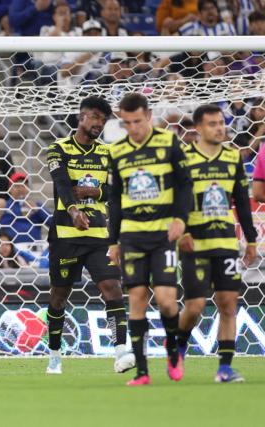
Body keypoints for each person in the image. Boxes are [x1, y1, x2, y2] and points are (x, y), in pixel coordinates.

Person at [108, 93, 193, 386]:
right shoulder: (117, 151)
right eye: (127, 123)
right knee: (137, 299)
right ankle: (143, 372)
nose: (133, 128)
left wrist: (181, 219)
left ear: (149, 115)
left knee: (168, 302)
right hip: (132, 234)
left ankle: (172, 349)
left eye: (138, 121)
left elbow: (184, 185)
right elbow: (115, 199)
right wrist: (113, 240)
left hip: (161, 233)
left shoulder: (168, 142)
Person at [45, 96, 134, 375]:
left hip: (99, 234)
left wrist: (95, 192)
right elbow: (60, 183)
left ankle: (120, 352)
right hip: (65, 235)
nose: (99, 123)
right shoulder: (57, 148)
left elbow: (115, 191)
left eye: (103, 119)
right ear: (81, 117)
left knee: (113, 289)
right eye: (95, 117)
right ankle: (55, 355)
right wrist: (73, 210)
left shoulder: (107, 153)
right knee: (59, 296)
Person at [178, 104, 257, 382]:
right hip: (193, 242)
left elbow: (242, 203)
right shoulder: (184, 158)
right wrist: (182, 232)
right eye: (212, 124)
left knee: (227, 303)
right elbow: (175, 201)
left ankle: (224, 368)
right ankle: (179, 343)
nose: (219, 127)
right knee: (196, 306)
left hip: (225, 240)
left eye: (221, 123)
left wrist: (252, 241)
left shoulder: (233, 157)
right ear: (198, 128)